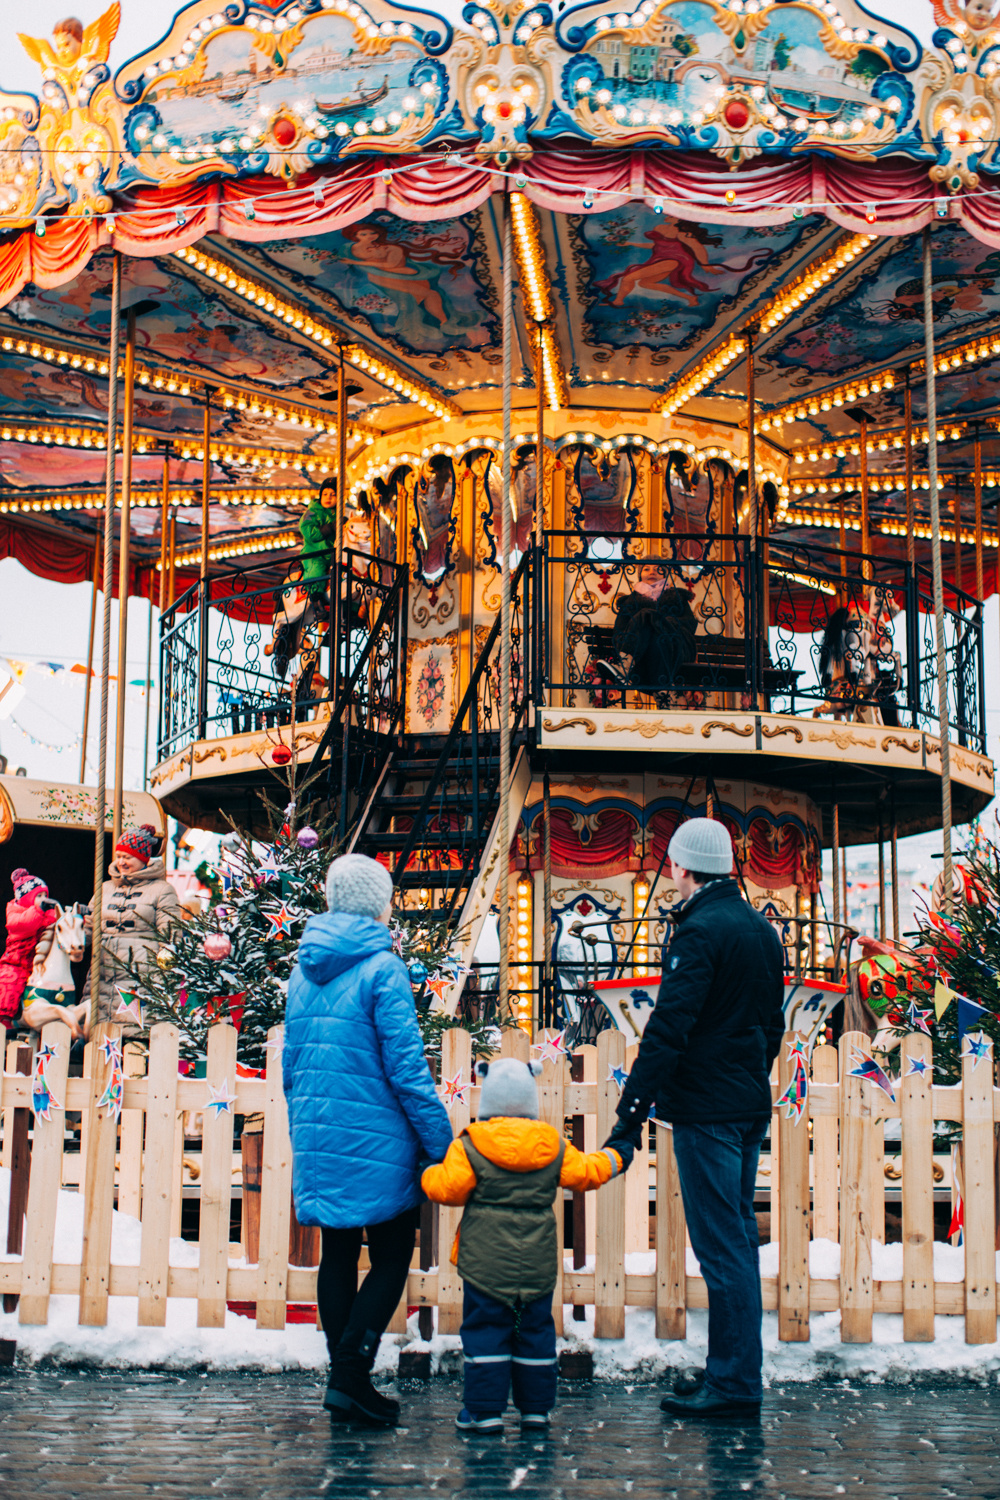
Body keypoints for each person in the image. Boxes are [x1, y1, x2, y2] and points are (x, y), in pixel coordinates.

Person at [603, 817, 785, 1419]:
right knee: (737, 1238)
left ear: (681, 867)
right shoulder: (761, 932)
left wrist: (629, 1117)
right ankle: (731, 1370)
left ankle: (733, 1385)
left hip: (708, 1108)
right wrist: (747, 1076)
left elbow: (668, 1030)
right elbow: (773, 1027)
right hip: (746, 1102)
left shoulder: (699, 932)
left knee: (721, 1245)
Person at [283, 853, 452, 1427]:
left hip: (320, 1129)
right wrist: (438, 1138)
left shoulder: (303, 971)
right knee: (389, 1255)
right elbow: (407, 1070)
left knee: (337, 1253)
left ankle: (345, 1380)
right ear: (380, 903)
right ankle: (351, 1378)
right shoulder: (383, 969)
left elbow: (292, 1061)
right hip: (377, 1135)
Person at [422, 1057, 627, 1435]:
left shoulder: (470, 1145)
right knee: (535, 1331)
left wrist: (426, 1170)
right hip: (536, 1260)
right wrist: (617, 1156)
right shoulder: (553, 1145)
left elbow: (445, 1189)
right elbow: (588, 1173)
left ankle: (484, 1412)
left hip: (484, 1262)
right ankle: (535, 1411)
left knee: (485, 1329)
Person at [85, 824, 181, 1026]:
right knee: (97, 1029)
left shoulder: (162, 890)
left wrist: (165, 968)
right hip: (103, 969)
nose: (121, 862)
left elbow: (170, 933)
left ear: (143, 858)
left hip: (141, 971)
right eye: (119, 856)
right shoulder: (106, 888)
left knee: (131, 1029)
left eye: (127, 857)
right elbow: (89, 926)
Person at [0, 869, 58, 1031]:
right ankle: (4, 1016)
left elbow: (56, 922)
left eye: (44, 895)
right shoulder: (15, 913)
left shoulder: (44, 913)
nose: (43, 899)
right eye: (38, 896)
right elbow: (26, 924)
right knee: (10, 982)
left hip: (38, 961)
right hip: (17, 961)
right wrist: (39, 910)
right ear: (26, 899)